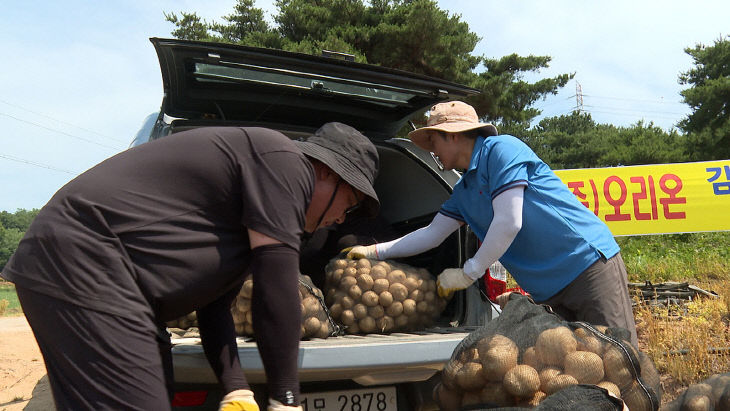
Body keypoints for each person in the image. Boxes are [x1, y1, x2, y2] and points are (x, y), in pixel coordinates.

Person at [1, 122, 379, 411]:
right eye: (349, 202)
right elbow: (273, 290)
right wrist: (285, 398)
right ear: (327, 172)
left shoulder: (251, 216)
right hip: (82, 257)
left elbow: (214, 308)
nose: (343, 219)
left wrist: (236, 388)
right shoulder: (286, 162)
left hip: (106, 276)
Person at [347, 101, 638, 347]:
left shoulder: (502, 150)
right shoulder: (463, 192)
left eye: (433, 140)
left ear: (453, 135)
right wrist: (374, 252)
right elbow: (431, 234)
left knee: (617, 361)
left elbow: (509, 221)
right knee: (577, 371)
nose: (431, 150)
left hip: (585, 268)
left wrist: (468, 272)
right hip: (548, 291)